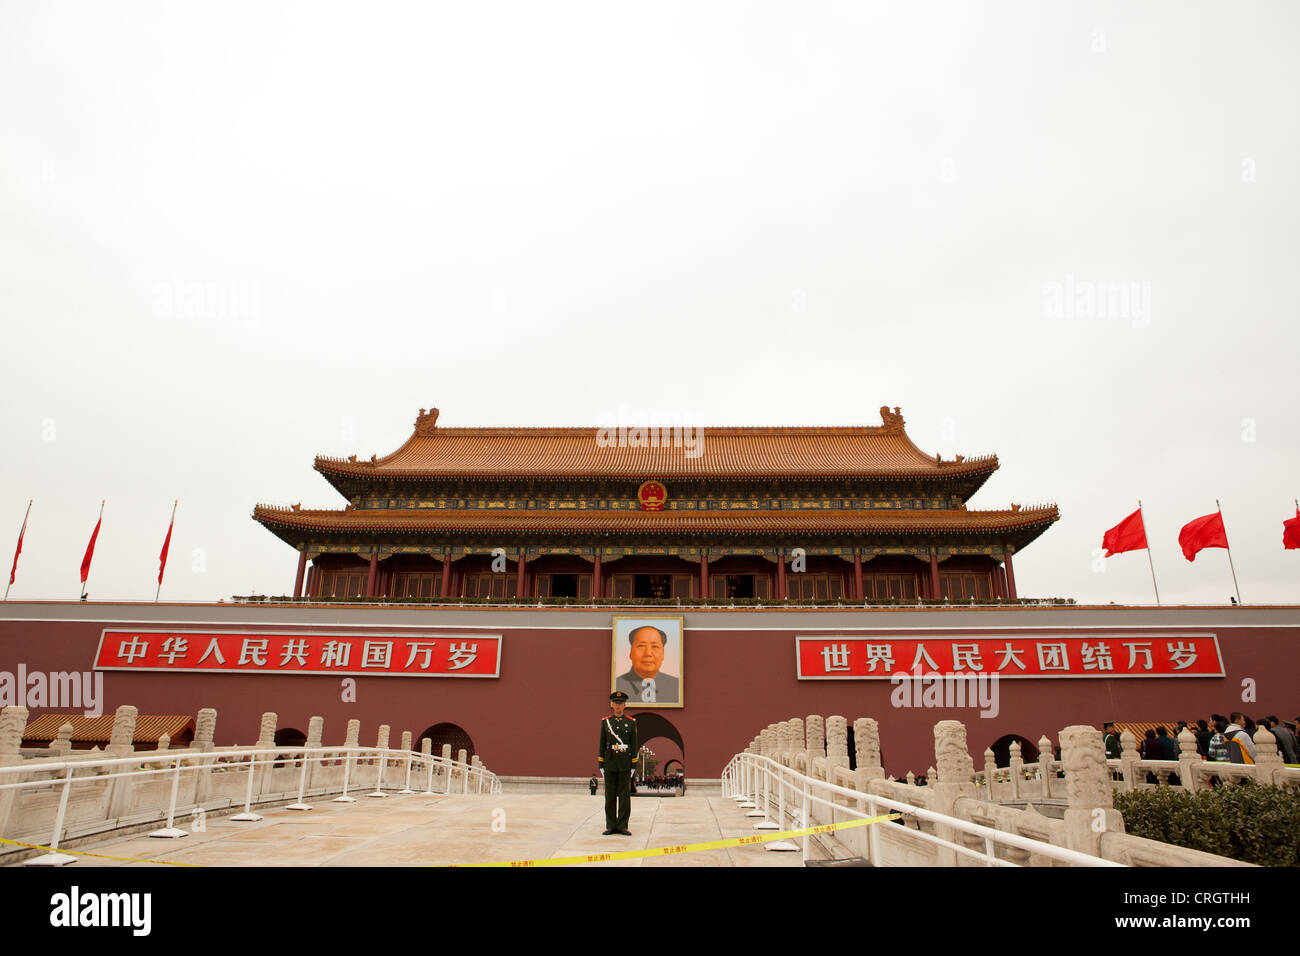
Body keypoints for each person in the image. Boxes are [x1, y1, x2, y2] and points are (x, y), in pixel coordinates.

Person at [598, 690, 639, 835]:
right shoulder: (605, 722)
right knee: (609, 796)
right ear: (612, 705)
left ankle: (622, 825)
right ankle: (611, 825)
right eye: (616, 703)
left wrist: (634, 764)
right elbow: (602, 744)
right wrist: (601, 764)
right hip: (610, 763)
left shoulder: (631, 723)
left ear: (625, 705)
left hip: (624, 763)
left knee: (624, 796)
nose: (618, 706)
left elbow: (634, 745)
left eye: (621, 704)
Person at [614, 625, 679, 704]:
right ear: (630, 653)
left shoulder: (677, 687)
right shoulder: (616, 686)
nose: (648, 653)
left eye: (655, 646)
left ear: (663, 654)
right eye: (641, 646)